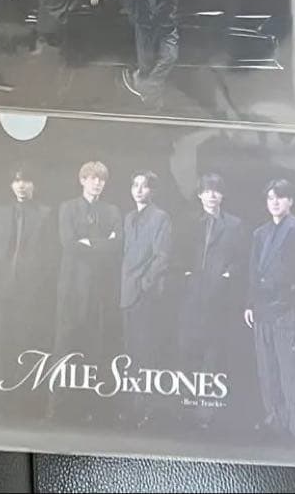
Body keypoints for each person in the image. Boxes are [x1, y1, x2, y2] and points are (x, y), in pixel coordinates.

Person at [245, 179, 295, 442]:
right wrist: (250, 303)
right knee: (267, 369)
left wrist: (292, 299)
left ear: (290, 201)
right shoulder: (260, 233)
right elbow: (253, 271)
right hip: (262, 308)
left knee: (291, 368)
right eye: (270, 198)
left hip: (286, 309)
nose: (274, 202)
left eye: (280, 197)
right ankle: (275, 420)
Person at [172, 173, 248, 429]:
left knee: (213, 353)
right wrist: (185, 275)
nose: (212, 195)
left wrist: (228, 275)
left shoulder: (235, 225)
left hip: (219, 297)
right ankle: (184, 408)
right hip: (191, 296)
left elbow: (242, 259)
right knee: (187, 350)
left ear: (222, 195)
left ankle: (205, 415)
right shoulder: (188, 222)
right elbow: (177, 253)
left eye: (216, 190)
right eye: (207, 190)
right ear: (199, 195)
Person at [53, 161, 122, 420]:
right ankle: (59, 407)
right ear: (82, 180)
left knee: (96, 345)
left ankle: (91, 408)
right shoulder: (68, 208)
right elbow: (68, 243)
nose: (97, 183)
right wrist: (103, 243)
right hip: (72, 287)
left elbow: (118, 245)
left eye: (101, 179)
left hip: (100, 288)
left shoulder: (112, 211)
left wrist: (88, 242)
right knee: (66, 344)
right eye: (92, 178)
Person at [120, 170, 172, 427]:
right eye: (135, 185)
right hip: (126, 293)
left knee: (146, 352)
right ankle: (131, 408)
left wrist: (145, 283)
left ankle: (146, 410)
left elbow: (162, 256)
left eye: (145, 186)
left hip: (146, 295)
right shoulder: (128, 218)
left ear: (153, 191)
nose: (139, 190)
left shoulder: (161, 217)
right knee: (130, 352)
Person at [0, 166, 53, 374]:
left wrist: (41, 284)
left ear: (34, 185)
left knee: (26, 337)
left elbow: (51, 256)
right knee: (0, 339)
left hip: (31, 288)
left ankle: (24, 382)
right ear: (11, 185)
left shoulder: (46, 214)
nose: (21, 186)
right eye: (17, 181)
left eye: (26, 181)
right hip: (1, 287)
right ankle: (1, 382)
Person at [122, 0, 178, 110]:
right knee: (146, 65)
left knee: (170, 57)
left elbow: (173, 3)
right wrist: (137, 21)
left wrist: (170, 18)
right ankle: (152, 102)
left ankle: (145, 87)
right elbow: (129, 4)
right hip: (144, 27)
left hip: (165, 26)